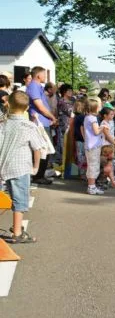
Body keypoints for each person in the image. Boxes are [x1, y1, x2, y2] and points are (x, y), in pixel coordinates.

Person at [0, 91, 46, 243]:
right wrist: (36, 167)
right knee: (20, 200)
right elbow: (37, 148)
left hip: (3, 166)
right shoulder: (29, 126)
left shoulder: (3, 124)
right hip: (20, 167)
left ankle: (17, 227)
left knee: (8, 197)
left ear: (9, 104)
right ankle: (17, 232)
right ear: (26, 108)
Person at [26, 66, 57, 185]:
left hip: (43, 122)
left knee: (46, 149)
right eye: (44, 74)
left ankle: (40, 174)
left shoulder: (38, 86)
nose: (45, 77)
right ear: (38, 75)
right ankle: (38, 175)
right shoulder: (34, 86)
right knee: (43, 148)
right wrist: (52, 117)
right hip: (39, 123)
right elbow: (40, 106)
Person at [83, 98, 106, 196]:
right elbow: (96, 132)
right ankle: (91, 187)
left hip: (89, 145)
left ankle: (92, 186)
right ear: (94, 108)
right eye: (98, 107)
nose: (99, 108)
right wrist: (103, 127)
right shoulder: (93, 119)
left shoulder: (87, 117)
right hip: (94, 146)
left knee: (91, 165)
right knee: (94, 166)